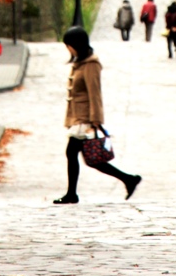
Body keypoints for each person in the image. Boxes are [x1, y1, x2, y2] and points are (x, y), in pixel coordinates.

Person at [54, 26, 141, 205]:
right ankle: (128, 179)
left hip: (85, 119)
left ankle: (72, 194)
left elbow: (95, 94)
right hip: (79, 117)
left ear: (76, 45)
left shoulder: (91, 65)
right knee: (90, 159)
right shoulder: (80, 63)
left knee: (77, 153)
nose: (68, 49)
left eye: (69, 45)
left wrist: (95, 121)